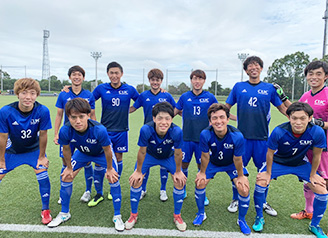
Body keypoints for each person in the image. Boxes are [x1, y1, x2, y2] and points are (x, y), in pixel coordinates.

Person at [252, 102, 328, 238]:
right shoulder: (279, 131)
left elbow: (317, 155)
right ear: (289, 118)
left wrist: (313, 175)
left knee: (322, 190)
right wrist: (268, 173)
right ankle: (259, 218)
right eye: (294, 118)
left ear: (310, 118)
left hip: (300, 163)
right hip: (278, 161)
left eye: (303, 118)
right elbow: (270, 153)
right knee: (261, 181)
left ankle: (314, 225)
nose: (298, 122)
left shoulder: (317, 131)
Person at [48, 98, 124, 231]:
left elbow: (107, 150)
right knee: (66, 177)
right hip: (83, 153)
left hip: (101, 154)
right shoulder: (65, 130)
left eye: (81, 117)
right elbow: (66, 149)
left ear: (88, 115)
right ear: (69, 117)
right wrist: (69, 168)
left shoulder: (99, 130)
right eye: (73, 117)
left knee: (113, 178)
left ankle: (117, 215)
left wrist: (110, 168)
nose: (77, 121)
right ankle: (64, 213)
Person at [225, 56, 286, 216]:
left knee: (265, 171)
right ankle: (236, 199)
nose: (253, 68)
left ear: (261, 68)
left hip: (262, 139)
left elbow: (281, 108)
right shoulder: (238, 87)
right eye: (250, 66)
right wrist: (232, 118)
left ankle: (263, 201)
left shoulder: (269, 88)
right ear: (246, 70)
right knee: (237, 170)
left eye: (256, 65)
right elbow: (226, 107)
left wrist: (295, 119)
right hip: (242, 139)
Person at [275, 61, 328, 221]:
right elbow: (296, 112)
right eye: (310, 74)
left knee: (323, 180)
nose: (314, 77)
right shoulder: (306, 96)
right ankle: (309, 211)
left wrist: (321, 124)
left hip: (324, 147)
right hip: (307, 146)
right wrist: (283, 98)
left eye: (318, 74)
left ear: (326, 76)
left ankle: (318, 216)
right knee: (309, 179)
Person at [125, 102, 187, 231]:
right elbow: (142, 151)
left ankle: (177, 216)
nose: (163, 122)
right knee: (136, 180)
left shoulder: (176, 131)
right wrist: (138, 171)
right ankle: (133, 215)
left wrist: (178, 171)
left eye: (167, 118)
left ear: (171, 119)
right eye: (160, 118)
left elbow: (178, 153)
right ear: (154, 118)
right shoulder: (146, 129)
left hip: (168, 157)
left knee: (180, 182)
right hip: (150, 156)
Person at [0, 78, 52, 225]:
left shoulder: (42, 110)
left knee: (43, 174)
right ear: (17, 94)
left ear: (36, 95)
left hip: (33, 151)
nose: (28, 97)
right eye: (24, 93)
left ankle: (45, 210)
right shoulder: (5, 111)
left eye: (32, 93)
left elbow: (43, 135)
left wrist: (42, 157)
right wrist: (1, 159)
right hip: (11, 152)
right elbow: (2, 137)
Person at [194, 103, 251, 235]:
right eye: (214, 118)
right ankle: (201, 213)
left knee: (243, 188)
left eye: (221, 117)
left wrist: (241, 176)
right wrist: (202, 172)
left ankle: (241, 220)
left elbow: (238, 159)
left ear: (227, 119)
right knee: (199, 182)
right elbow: (204, 155)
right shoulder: (205, 134)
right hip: (213, 163)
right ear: (210, 121)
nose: (218, 121)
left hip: (231, 164)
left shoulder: (237, 136)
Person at [130, 68, 176, 202]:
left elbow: (175, 110)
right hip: (149, 134)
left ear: (161, 81)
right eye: (153, 80)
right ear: (149, 81)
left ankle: (163, 190)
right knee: (145, 162)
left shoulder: (167, 96)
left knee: (164, 163)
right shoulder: (144, 95)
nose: (155, 82)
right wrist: (118, 110)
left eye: (158, 80)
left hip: (164, 134)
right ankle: (143, 189)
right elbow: (133, 108)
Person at [54, 65, 96, 205]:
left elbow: (92, 116)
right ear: (70, 77)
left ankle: (88, 191)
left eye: (79, 74)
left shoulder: (89, 95)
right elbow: (59, 115)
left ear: (83, 78)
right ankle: (63, 194)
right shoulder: (63, 94)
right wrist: (56, 134)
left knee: (87, 161)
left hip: (85, 134)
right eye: (74, 74)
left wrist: (94, 133)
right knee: (65, 162)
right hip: (68, 134)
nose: (76, 77)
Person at [174, 69, 218, 205]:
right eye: (194, 78)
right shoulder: (184, 96)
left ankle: (201, 193)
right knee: (184, 164)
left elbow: (218, 111)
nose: (197, 81)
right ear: (191, 80)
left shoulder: (210, 97)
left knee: (202, 167)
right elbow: (174, 112)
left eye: (200, 79)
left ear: (204, 81)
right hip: (186, 138)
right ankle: (183, 189)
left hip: (203, 140)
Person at [93, 62, 139, 185]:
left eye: (116, 73)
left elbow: (141, 100)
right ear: (108, 74)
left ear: (121, 74)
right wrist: (70, 88)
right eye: (111, 73)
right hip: (105, 130)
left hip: (121, 130)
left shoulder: (129, 89)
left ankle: (114, 184)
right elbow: (88, 100)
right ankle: (99, 191)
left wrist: (130, 109)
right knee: (99, 160)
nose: (114, 75)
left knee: (118, 158)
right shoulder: (101, 88)